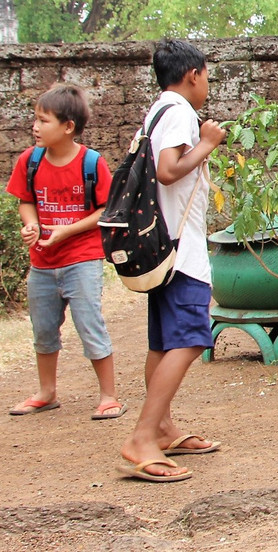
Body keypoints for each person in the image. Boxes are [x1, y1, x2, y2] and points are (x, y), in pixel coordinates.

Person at [118, 39, 226, 483]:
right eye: (206, 76)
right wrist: (208, 143)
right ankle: (142, 436)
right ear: (193, 75)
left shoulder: (157, 109)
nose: (206, 84)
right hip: (181, 249)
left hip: (161, 244)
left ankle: (161, 427)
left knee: (163, 342)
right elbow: (167, 169)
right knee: (192, 338)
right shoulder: (181, 110)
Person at [6, 83, 121, 419]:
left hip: (81, 259)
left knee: (89, 324)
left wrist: (64, 232)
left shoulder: (91, 163)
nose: (35, 127)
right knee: (43, 329)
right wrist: (32, 226)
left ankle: (108, 395)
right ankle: (46, 392)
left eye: (43, 120)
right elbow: (25, 201)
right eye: (35, 120)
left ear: (68, 126)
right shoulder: (30, 160)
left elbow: (105, 211)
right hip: (42, 263)